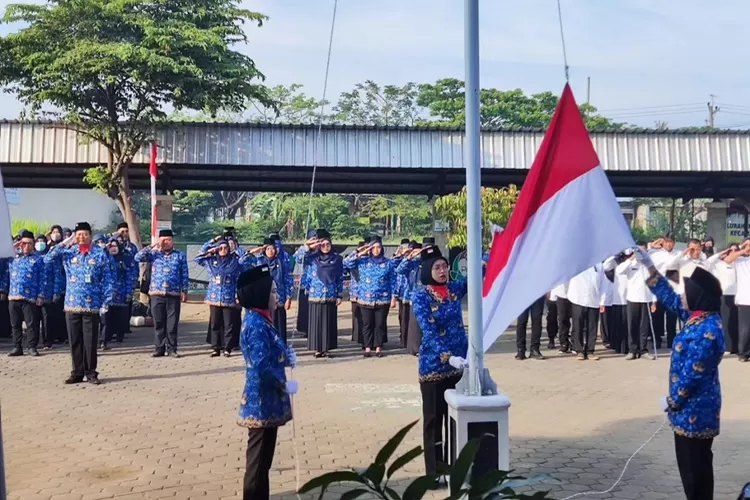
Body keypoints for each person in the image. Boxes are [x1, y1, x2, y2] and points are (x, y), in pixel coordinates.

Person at [634, 248, 723, 500]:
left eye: (687, 291)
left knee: (696, 469)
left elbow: (694, 372)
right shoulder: (697, 316)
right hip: (687, 410)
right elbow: (669, 298)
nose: (682, 295)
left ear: (698, 295)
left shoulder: (707, 329)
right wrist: (650, 269)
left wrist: (674, 401)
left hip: (696, 410)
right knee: (691, 467)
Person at [236, 265, 297, 500]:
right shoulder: (255, 325)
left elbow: (272, 353)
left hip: (268, 401)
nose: (276, 296)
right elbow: (262, 366)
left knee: (264, 464)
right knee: (258, 464)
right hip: (260, 403)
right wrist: (285, 385)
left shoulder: (263, 320)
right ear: (260, 295)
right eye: (272, 292)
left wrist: (286, 355)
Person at [411, 246, 468, 479]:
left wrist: (492, 251)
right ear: (427, 270)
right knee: (434, 421)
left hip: (458, 367)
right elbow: (428, 331)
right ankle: (434, 473)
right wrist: (447, 356)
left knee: (455, 420)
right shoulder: (421, 296)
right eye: (437, 267)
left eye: (445, 266)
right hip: (434, 367)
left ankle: (453, 469)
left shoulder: (454, 290)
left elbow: (479, 276)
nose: (443, 270)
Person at [44, 222, 113, 384]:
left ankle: (91, 372)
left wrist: (106, 301)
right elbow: (48, 258)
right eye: (78, 234)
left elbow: (108, 279)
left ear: (90, 235)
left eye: (85, 234)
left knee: (90, 341)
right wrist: (66, 241)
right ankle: (77, 372)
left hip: (92, 304)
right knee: (75, 340)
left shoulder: (100, 254)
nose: (81, 237)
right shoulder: (69, 253)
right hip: (72, 303)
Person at [135, 229, 189, 358]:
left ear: (173, 241)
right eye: (163, 240)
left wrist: (185, 290)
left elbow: (184, 274)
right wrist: (152, 246)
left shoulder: (179, 255)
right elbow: (137, 257)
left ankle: (172, 349)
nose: (166, 242)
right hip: (156, 293)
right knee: (158, 322)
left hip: (173, 293)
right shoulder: (153, 254)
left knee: (172, 323)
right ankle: (159, 348)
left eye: (168, 240)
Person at [343, 235, 398, 357]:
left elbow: (393, 281)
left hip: (383, 299)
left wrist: (394, 297)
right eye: (374, 247)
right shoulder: (362, 262)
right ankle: (367, 348)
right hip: (365, 299)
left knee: (380, 324)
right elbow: (346, 262)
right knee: (367, 324)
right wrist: (360, 251)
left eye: (379, 247)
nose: (376, 250)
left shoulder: (388, 263)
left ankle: (378, 347)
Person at [294, 229, 344, 358]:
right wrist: (307, 246)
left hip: (330, 295)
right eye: (322, 245)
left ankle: (326, 348)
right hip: (315, 295)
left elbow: (339, 277)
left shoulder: (337, 259)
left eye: (328, 245)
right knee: (316, 323)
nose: (326, 247)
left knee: (328, 323)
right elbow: (297, 258)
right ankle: (317, 349)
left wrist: (339, 294)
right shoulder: (312, 258)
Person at [241, 238, 294, 342]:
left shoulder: (281, 261)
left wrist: (288, 297)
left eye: (273, 248)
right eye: (268, 248)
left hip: (278, 298)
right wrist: (251, 252)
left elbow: (287, 279)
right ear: (264, 250)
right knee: (264, 324)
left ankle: (280, 347)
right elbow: (241, 262)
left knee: (278, 325)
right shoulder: (257, 260)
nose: (271, 251)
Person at [7, 230, 45, 357]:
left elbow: (43, 278)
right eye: (23, 243)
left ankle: (32, 346)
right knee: (15, 324)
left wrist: (41, 295)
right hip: (13, 295)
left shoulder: (38, 259)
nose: (26, 246)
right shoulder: (12, 258)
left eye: (29, 243)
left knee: (31, 324)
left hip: (30, 297)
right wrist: (12, 246)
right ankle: (17, 347)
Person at [616, 243, 657, 359]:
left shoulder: (649, 265)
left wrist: (654, 301)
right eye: (639, 251)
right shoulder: (630, 263)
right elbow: (619, 271)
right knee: (632, 325)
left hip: (646, 299)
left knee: (644, 326)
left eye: (643, 251)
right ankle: (632, 350)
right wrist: (631, 259)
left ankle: (643, 350)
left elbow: (654, 283)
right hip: (633, 298)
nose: (641, 254)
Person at [101, 237, 135, 349]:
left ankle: (119, 338)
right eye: (111, 246)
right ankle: (104, 340)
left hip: (121, 293)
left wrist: (129, 292)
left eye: (115, 246)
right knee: (106, 318)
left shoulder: (125, 259)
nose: (113, 248)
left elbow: (129, 277)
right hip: (106, 294)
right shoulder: (103, 259)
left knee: (120, 317)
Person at [567, 265, 605, 360]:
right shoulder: (577, 263)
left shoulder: (599, 265)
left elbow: (603, 284)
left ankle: (590, 350)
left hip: (593, 300)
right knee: (578, 326)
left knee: (592, 327)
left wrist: (602, 301)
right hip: (578, 299)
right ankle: (579, 350)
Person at [707, 245, 738, 357]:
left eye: (736, 250)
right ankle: (727, 346)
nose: (733, 252)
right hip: (724, 295)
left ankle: (736, 346)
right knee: (725, 322)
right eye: (731, 250)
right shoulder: (718, 264)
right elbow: (708, 262)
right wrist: (721, 253)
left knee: (736, 322)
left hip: (737, 296)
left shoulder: (738, 263)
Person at [602, 252, 630, 354]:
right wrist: (614, 254)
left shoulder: (632, 261)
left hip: (629, 298)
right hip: (617, 299)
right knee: (618, 324)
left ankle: (628, 346)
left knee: (627, 325)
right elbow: (606, 266)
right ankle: (617, 346)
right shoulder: (615, 262)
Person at [295, 229, 317, 338]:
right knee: (305, 310)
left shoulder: (321, 252)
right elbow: (298, 259)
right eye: (312, 239)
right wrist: (307, 247)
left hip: (318, 287)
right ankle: (306, 329)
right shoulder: (306, 252)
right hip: (306, 285)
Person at [348, 240, 366, 347]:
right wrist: (357, 252)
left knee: (365, 318)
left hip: (367, 294)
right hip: (355, 292)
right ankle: (356, 336)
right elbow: (346, 262)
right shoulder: (355, 260)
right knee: (356, 316)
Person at [550, 282, 572, 353]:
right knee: (562, 320)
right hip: (561, 294)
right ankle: (564, 343)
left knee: (576, 320)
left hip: (574, 294)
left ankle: (575, 343)